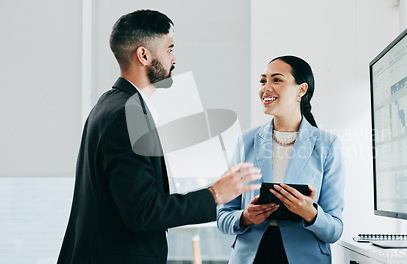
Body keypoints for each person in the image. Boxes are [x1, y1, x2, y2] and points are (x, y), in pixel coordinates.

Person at [57, 10, 261, 264]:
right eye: (169, 49)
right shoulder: (126, 116)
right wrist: (214, 194)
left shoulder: (110, 104)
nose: (174, 58)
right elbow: (141, 211)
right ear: (144, 55)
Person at [217, 55, 345, 264]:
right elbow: (223, 217)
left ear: (301, 90)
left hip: (304, 256)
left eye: (276, 80)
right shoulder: (245, 141)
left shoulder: (327, 145)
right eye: (263, 81)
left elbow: (334, 230)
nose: (266, 87)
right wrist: (246, 217)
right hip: (251, 257)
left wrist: (310, 213)